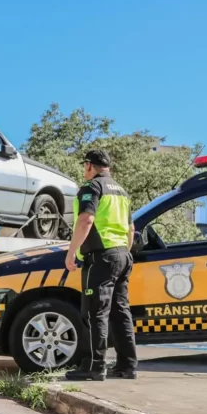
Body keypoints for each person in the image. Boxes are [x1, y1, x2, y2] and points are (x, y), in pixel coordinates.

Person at [64, 149, 137, 381]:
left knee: (95, 312)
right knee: (120, 312)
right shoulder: (121, 192)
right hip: (122, 255)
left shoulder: (91, 188)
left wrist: (71, 252)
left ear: (89, 166)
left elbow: (86, 219)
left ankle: (95, 367)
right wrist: (124, 251)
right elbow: (131, 229)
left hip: (101, 257)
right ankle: (128, 366)